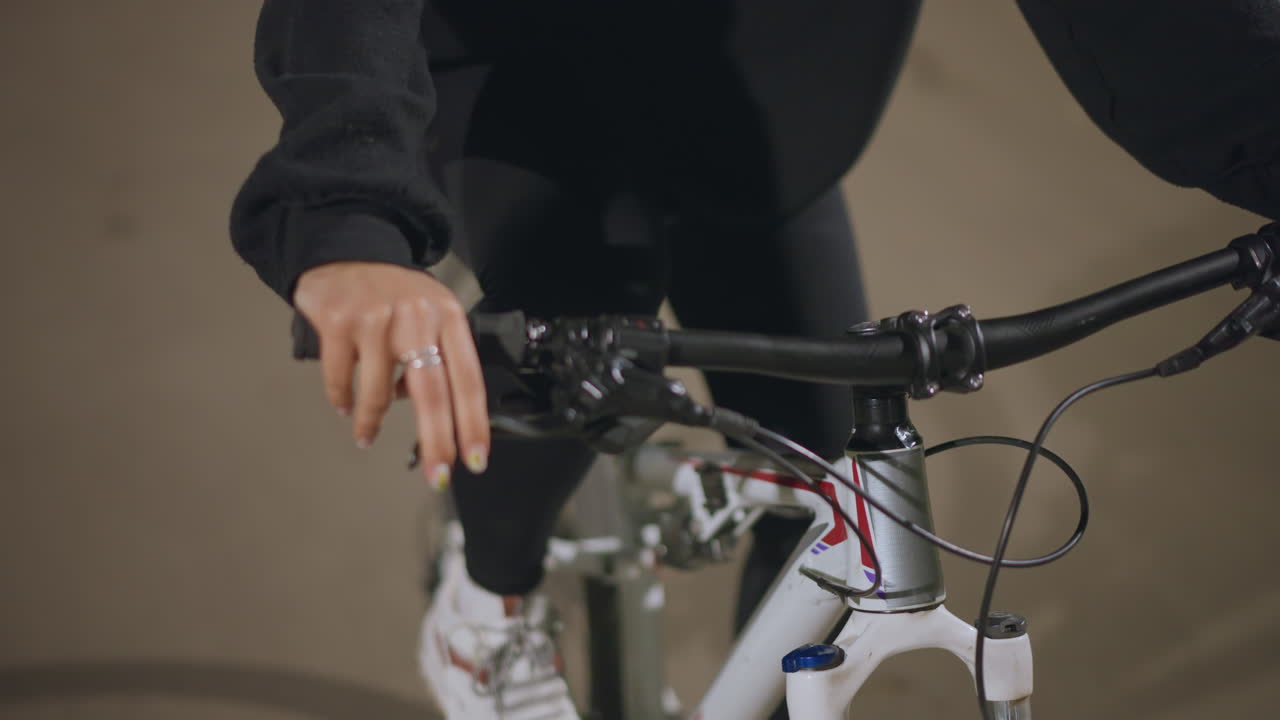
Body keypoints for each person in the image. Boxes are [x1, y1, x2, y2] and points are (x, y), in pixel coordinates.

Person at [231, 2, 1279, 718]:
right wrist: (347, 213)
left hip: (750, 92)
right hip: (521, 75)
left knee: (833, 482)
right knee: (571, 323)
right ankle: (483, 608)